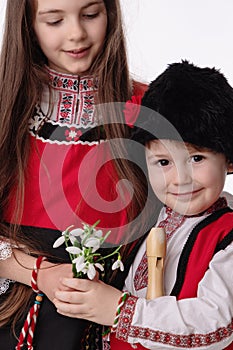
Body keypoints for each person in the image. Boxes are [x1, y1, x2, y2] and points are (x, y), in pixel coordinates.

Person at [53, 61, 233, 349]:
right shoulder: (154, 217)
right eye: (163, 162)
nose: (180, 179)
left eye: (196, 158)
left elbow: (217, 324)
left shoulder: (227, 235)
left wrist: (119, 310)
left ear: (229, 158)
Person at [0, 0, 147, 349]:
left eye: (90, 14)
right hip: (19, 321)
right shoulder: (6, 110)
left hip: (121, 322)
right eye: (54, 21)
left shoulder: (152, 108)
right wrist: (40, 273)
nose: (77, 33)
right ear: (27, 27)